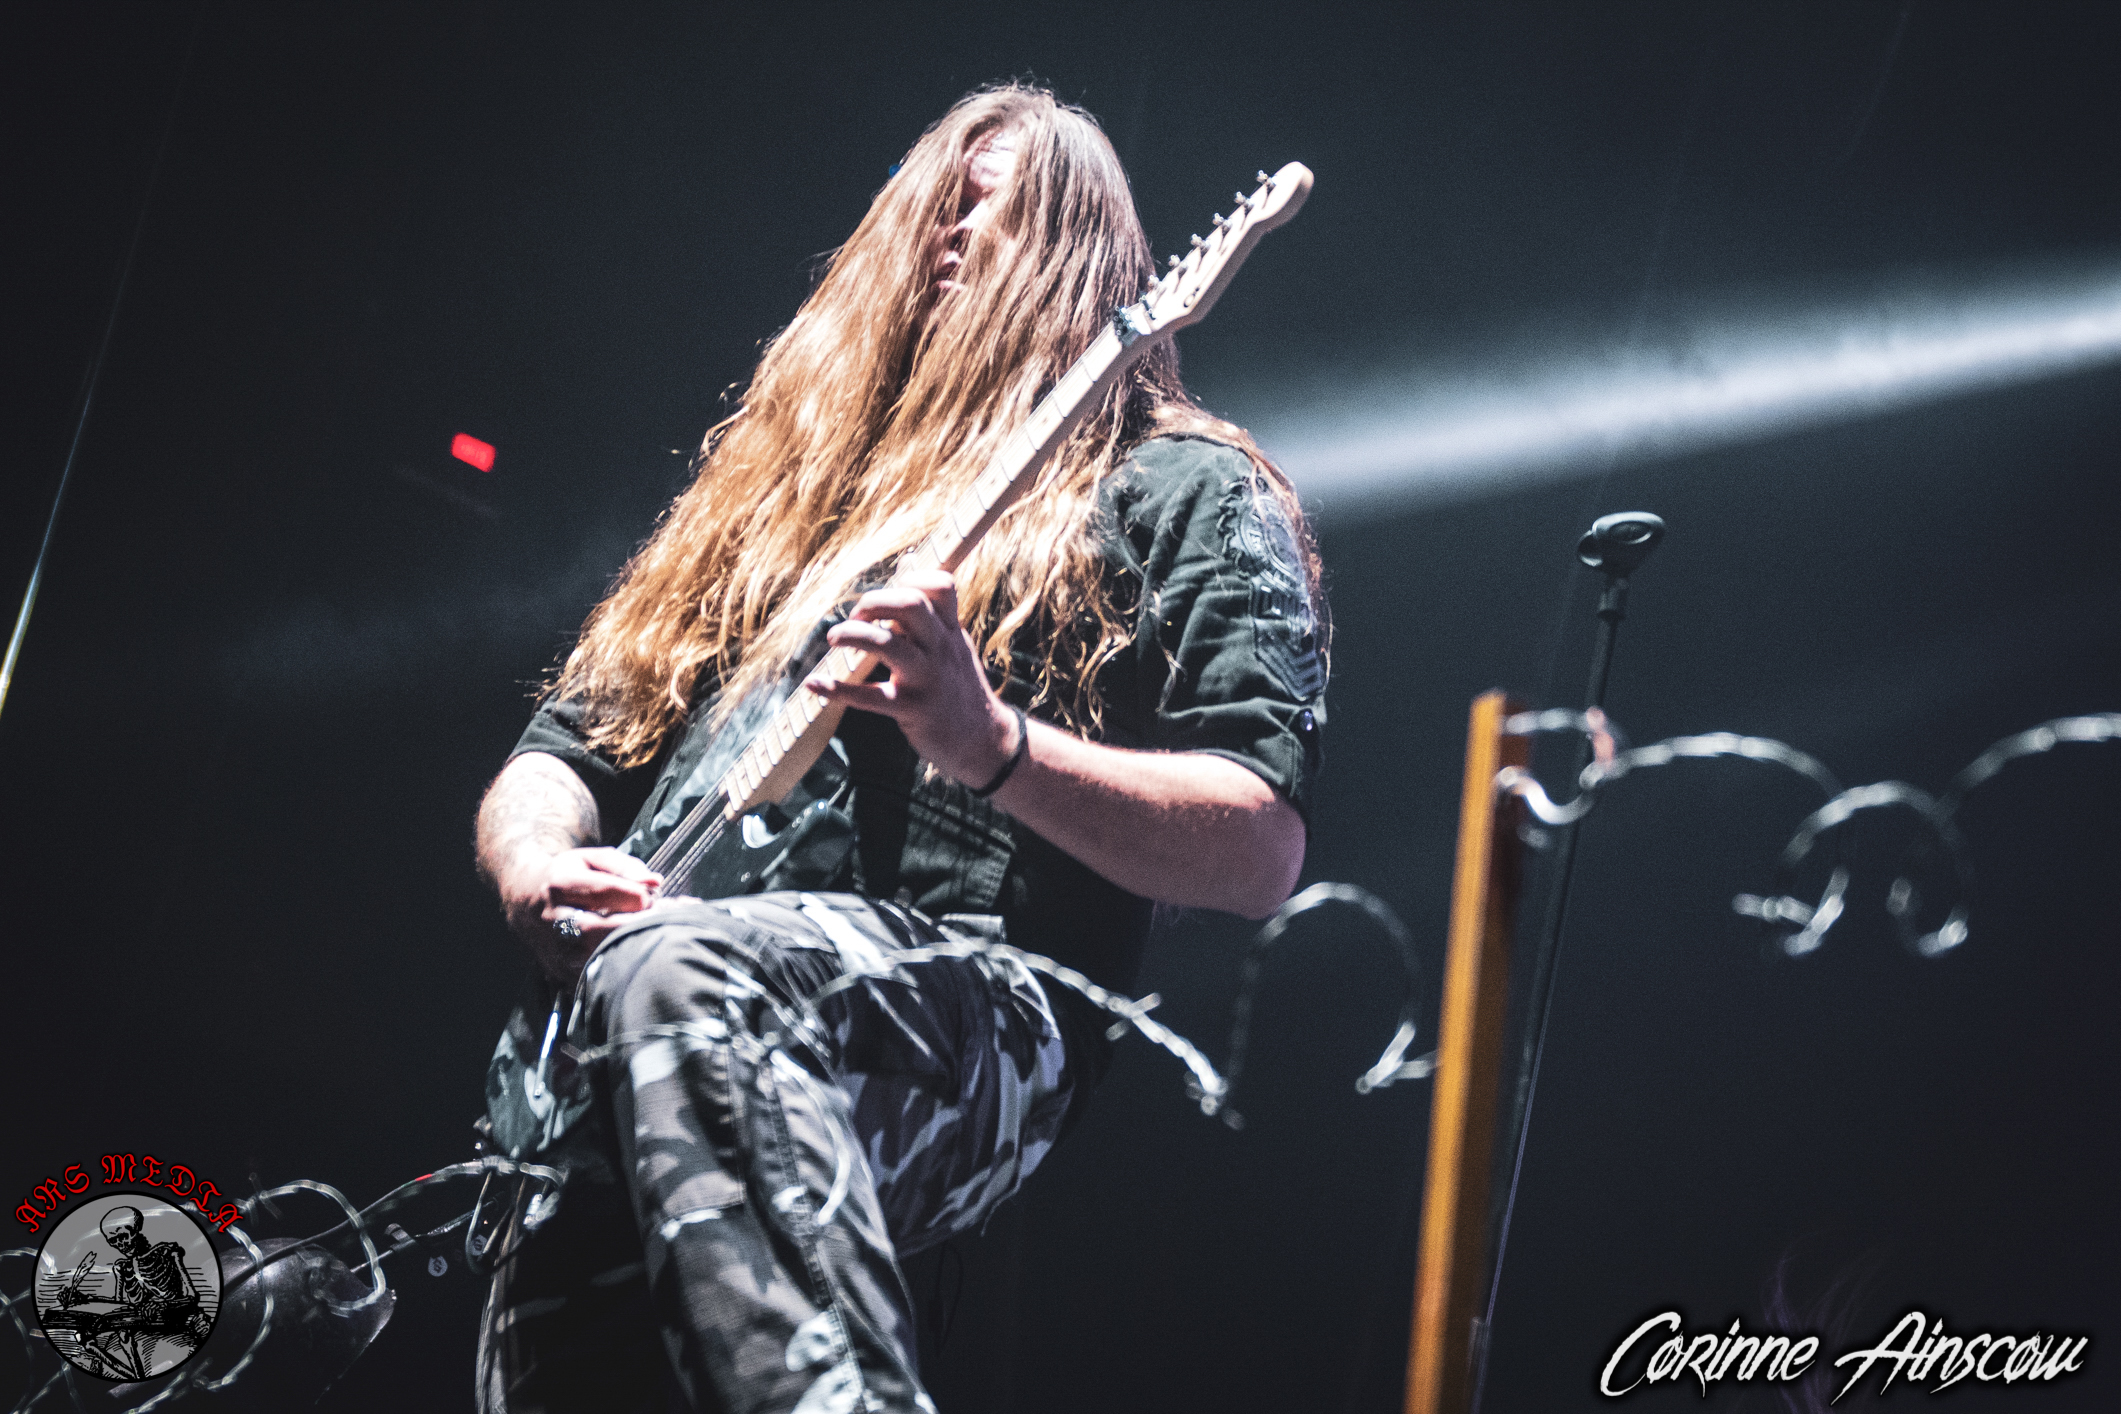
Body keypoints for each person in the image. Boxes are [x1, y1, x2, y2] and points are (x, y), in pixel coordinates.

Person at [471, 83, 1326, 1414]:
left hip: (970, 1000)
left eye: (992, 207)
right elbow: (563, 749)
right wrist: (533, 869)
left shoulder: (1184, 487)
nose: (949, 230)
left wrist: (990, 743)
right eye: (934, 203)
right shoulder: (780, 505)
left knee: (684, 971)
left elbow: (1257, 848)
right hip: (623, 1050)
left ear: (1080, 252)